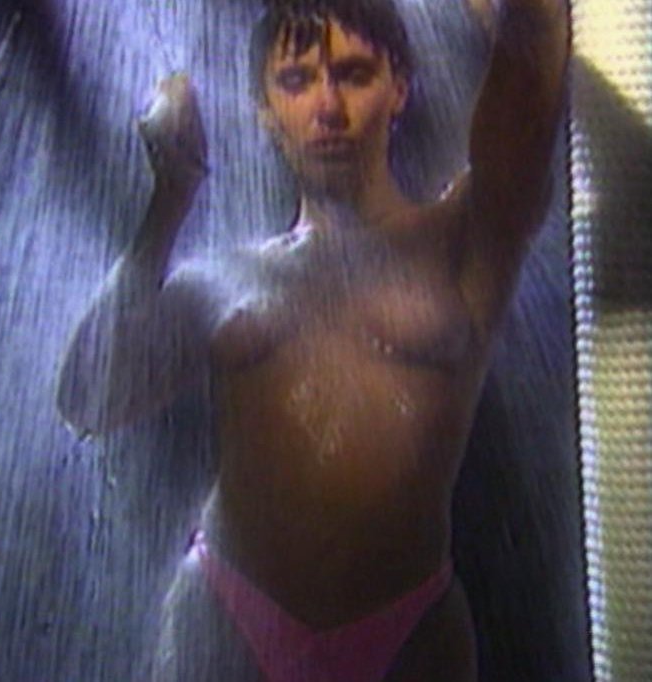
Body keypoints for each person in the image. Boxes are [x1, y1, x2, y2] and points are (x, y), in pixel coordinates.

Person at [57, 0, 569, 679]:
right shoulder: (224, 279)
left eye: (353, 74)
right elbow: (87, 401)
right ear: (265, 112)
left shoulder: (465, 240)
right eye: (296, 82)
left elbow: (535, 56)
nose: (327, 107)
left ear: (400, 87)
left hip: (410, 622)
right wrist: (169, 199)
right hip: (229, 610)